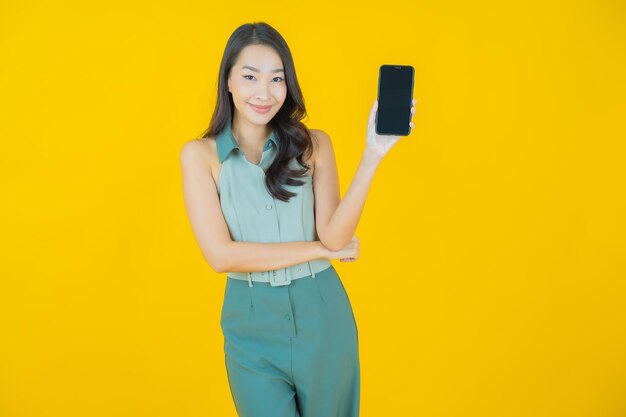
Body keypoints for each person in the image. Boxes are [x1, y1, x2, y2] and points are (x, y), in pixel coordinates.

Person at [180, 21, 416, 417]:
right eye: (250, 76)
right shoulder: (199, 155)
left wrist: (374, 152)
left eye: (277, 78)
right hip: (249, 324)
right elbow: (221, 256)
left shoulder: (313, 145)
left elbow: (336, 235)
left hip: (322, 315)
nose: (264, 92)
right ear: (229, 82)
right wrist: (319, 250)